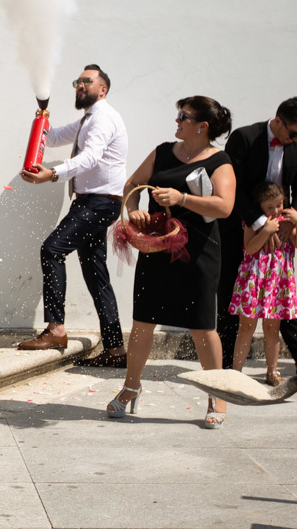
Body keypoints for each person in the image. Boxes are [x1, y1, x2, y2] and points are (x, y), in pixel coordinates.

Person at [108, 96, 236, 429]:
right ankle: (131, 387)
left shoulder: (219, 161)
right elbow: (133, 184)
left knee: (202, 326)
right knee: (143, 320)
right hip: (158, 247)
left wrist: (182, 199)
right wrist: (135, 205)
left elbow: (224, 206)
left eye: (184, 116)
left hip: (199, 252)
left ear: (202, 126)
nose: (177, 121)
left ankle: (216, 394)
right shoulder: (164, 151)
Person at [18, 65, 130, 367]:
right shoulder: (87, 119)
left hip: (98, 203)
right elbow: (53, 138)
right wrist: (41, 118)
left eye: (87, 81)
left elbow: (91, 156)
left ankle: (56, 329)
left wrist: (52, 174)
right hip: (94, 203)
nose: (80, 86)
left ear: (102, 88)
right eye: (77, 81)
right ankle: (116, 350)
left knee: (51, 249)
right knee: (97, 276)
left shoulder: (103, 119)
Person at [217, 97, 297, 377]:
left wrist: (292, 217)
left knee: (284, 304)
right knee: (230, 299)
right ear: (277, 121)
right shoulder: (245, 137)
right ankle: (226, 368)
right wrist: (260, 223)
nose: (296, 139)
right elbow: (231, 186)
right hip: (241, 225)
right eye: (293, 133)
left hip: (280, 228)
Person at [227, 182, 297, 385]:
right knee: (246, 327)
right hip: (254, 279)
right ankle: (237, 372)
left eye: (279, 205)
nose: (276, 210)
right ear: (259, 206)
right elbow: (250, 248)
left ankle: (272, 371)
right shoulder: (253, 222)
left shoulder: (287, 223)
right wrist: (266, 230)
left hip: (278, 281)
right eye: (270, 207)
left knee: (272, 328)